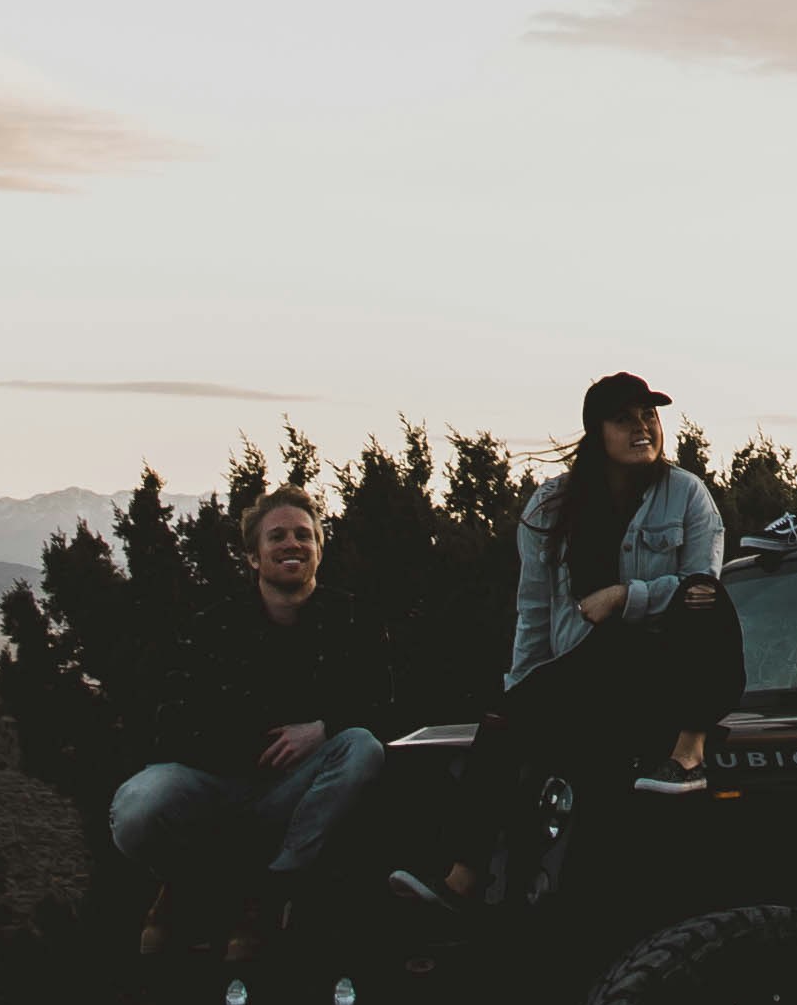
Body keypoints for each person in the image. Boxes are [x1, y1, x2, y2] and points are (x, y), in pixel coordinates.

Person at [460, 371, 740, 858]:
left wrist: (623, 596)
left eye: (649, 416)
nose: (642, 428)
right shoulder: (550, 506)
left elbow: (700, 588)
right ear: (596, 432)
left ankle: (688, 754)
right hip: (588, 669)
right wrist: (524, 691)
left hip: (664, 669)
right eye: (624, 418)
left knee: (706, 599)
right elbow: (532, 609)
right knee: (500, 721)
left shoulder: (687, 494)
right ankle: (461, 875)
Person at [107, 488, 390, 939]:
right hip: (217, 786)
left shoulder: (352, 619)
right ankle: (182, 880)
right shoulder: (214, 626)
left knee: (361, 747)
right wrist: (245, 746)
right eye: (276, 536)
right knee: (140, 804)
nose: (292, 544)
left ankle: (274, 887)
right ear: (254, 558)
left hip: (299, 793)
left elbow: (384, 701)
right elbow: (172, 722)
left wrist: (322, 729)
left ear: (319, 549)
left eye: (304, 535)